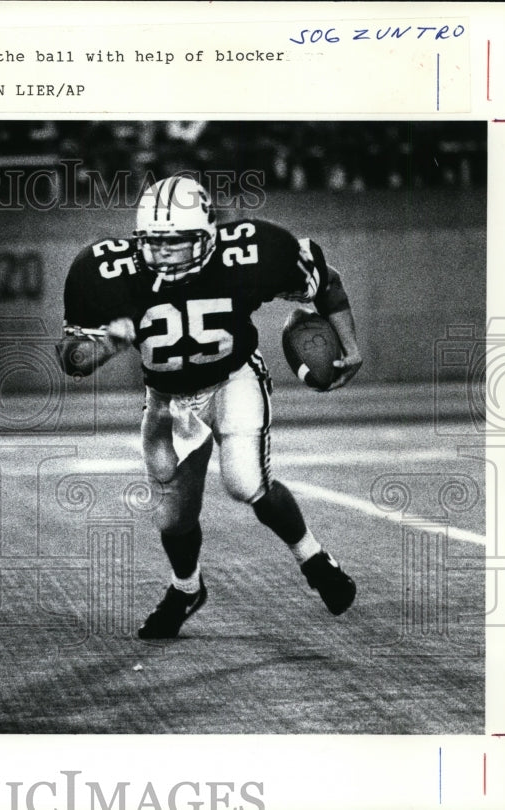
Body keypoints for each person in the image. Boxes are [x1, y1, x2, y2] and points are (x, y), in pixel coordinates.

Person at [56, 175, 361, 638]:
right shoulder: (101, 268)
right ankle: (186, 588)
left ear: (208, 234)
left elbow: (325, 282)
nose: (165, 254)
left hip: (232, 378)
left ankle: (314, 559)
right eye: (155, 244)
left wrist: (350, 346)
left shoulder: (252, 249)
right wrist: (103, 348)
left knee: (245, 482)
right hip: (167, 399)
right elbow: (71, 357)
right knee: (174, 516)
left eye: (178, 243)